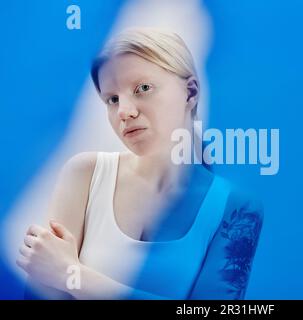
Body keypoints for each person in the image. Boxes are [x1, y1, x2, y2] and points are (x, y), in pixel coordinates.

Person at [16, 27, 264, 300]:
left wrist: (72, 276)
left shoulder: (237, 209)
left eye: (143, 88)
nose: (124, 112)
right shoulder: (84, 175)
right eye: (112, 99)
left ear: (190, 93)